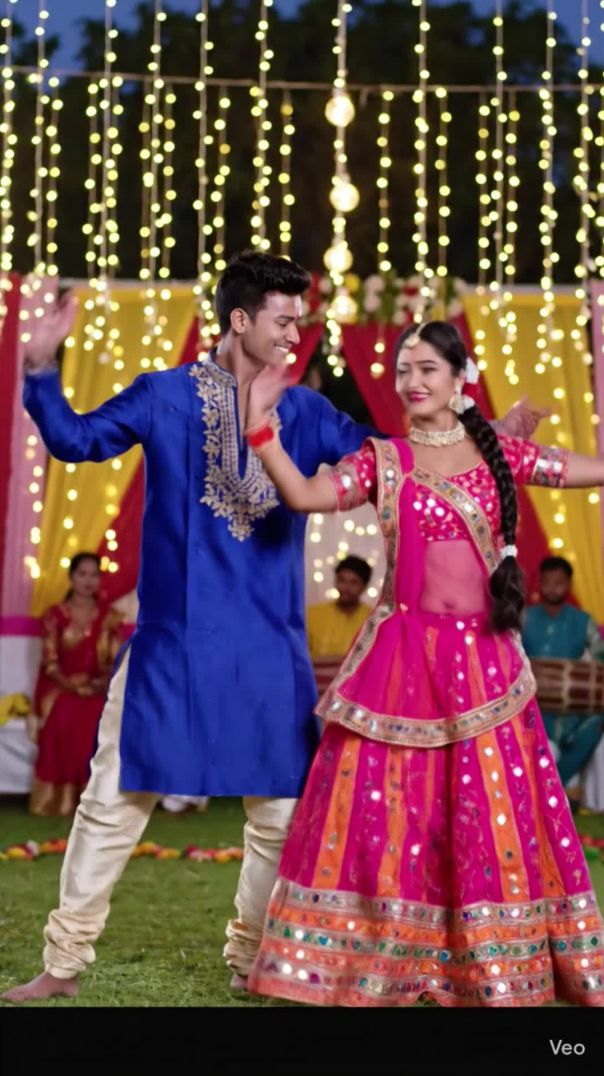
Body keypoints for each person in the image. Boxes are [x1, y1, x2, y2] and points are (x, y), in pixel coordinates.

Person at [0, 254, 547, 1006]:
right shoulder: (164, 396)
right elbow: (74, 440)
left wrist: (482, 444)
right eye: (284, 320)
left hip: (269, 650)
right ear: (239, 320)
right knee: (112, 804)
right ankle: (63, 963)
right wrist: (38, 367)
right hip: (173, 647)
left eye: (299, 320)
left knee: (277, 817)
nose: (295, 334)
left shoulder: (308, 413)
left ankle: (250, 959)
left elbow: (395, 466)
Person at [244, 320, 604, 1007]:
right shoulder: (385, 459)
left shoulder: (498, 453)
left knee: (488, 814)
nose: (412, 382)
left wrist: (502, 432)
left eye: (428, 369)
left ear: (459, 378)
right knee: (389, 814)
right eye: (404, 369)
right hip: (401, 661)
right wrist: (261, 430)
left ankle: (492, 964)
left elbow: (583, 471)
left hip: (486, 664)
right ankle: (374, 959)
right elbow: (307, 496)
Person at [29, 553, 124, 817]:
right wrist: (73, 686)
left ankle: (99, 800)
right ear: (71, 578)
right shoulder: (55, 616)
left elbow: (117, 661)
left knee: (100, 717)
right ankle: (57, 801)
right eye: (82, 574)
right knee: (64, 715)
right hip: (62, 689)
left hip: (99, 690)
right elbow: (50, 662)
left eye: (94, 574)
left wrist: (97, 685)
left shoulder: (109, 617)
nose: (88, 580)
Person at [522, 556, 604, 795]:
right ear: (539, 583)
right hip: (531, 707)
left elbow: (600, 658)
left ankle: (551, 786)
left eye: (558, 583)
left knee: (597, 723)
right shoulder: (523, 617)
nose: (552, 588)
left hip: (570, 712)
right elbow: (508, 655)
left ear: (568, 585)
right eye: (547, 582)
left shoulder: (583, 621)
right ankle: (550, 790)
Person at [307, 555, 372, 661]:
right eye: (341, 580)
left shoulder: (373, 620)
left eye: (353, 582)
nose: (345, 587)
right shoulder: (312, 614)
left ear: (364, 586)